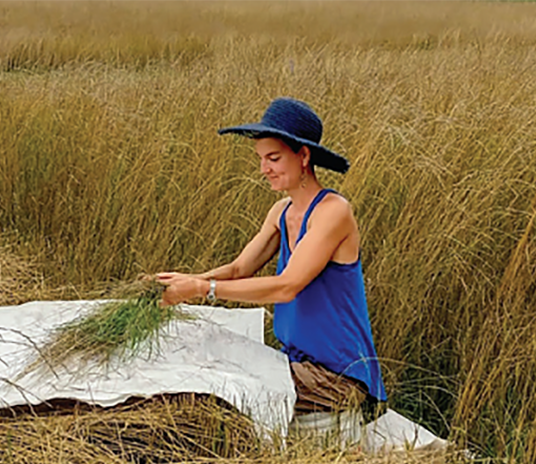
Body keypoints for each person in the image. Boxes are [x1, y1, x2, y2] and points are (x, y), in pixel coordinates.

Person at [156, 97, 387, 417]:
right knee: (199, 364)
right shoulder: (281, 212)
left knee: (212, 393)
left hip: (335, 375)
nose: (264, 169)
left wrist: (201, 289)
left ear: (303, 156)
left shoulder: (333, 212)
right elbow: (239, 268)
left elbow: (286, 287)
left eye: (274, 158)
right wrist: (180, 282)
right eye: (261, 158)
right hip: (294, 361)